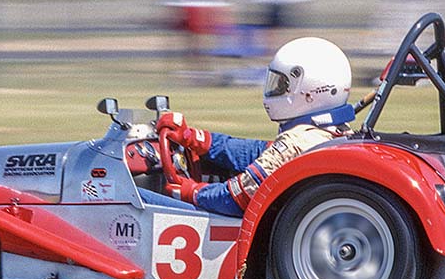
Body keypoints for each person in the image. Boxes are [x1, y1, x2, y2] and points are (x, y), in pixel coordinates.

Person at [152, 36, 355, 217]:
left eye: (282, 85)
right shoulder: (332, 133)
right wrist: (196, 138)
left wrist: (192, 192)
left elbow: (234, 198)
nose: (275, 90)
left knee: (134, 201)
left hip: (255, 226)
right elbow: (258, 152)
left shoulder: (298, 141)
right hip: (290, 220)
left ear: (309, 93)